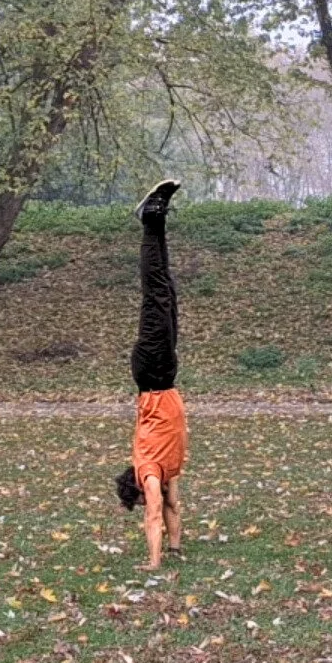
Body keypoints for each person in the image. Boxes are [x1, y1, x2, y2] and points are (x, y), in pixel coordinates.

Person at [114, 179, 187, 569]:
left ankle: (150, 220)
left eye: (146, 495)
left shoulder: (148, 470)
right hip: (165, 375)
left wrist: (153, 563)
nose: (154, 496)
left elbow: (154, 513)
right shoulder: (166, 468)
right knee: (168, 293)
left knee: (155, 292)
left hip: (153, 372)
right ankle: (156, 218)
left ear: (140, 490)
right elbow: (172, 507)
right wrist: (174, 548)